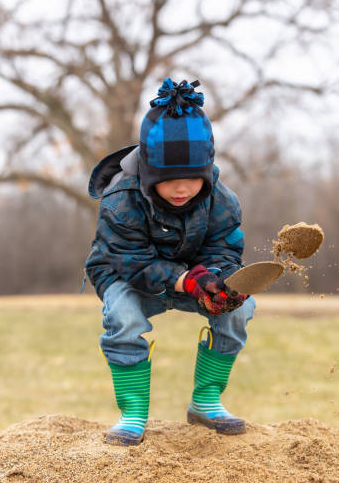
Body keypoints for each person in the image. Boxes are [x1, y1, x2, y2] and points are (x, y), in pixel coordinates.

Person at [85, 78, 256, 446]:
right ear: (148, 176)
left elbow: (225, 248)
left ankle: (206, 402)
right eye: (170, 180)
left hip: (192, 275)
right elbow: (134, 263)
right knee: (124, 316)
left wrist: (218, 280)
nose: (183, 189)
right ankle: (132, 412)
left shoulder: (221, 199)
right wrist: (188, 282)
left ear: (207, 172)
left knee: (239, 308)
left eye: (193, 179)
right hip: (124, 274)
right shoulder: (120, 201)